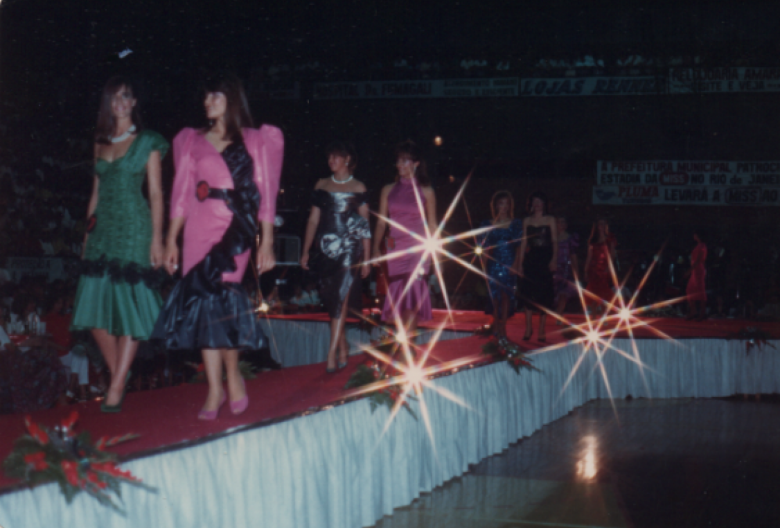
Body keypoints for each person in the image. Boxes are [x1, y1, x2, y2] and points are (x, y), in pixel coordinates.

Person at [153, 72, 283, 420]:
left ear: (231, 100)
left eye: (215, 96)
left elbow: (266, 196)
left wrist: (266, 241)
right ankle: (215, 388)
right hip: (197, 227)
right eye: (206, 96)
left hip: (236, 228)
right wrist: (170, 240)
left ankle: (234, 376)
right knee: (203, 304)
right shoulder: (190, 140)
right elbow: (180, 195)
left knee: (223, 298)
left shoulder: (256, 140)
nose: (207, 102)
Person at [70, 76, 169, 412]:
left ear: (135, 101)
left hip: (134, 227)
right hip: (103, 230)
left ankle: (115, 386)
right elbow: (94, 196)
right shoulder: (100, 142)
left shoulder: (148, 142)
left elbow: (156, 194)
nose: (120, 103)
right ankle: (119, 375)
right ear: (108, 104)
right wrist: (87, 238)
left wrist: (157, 239)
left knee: (128, 306)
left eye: (126, 96)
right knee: (93, 311)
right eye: (114, 98)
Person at [300, 141, 370, 372]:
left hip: (350, 250)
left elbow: (364, 225)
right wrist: (306, 250)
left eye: (336, 157)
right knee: (331, 299)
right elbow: (313, 220)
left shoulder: (359, 187)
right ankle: (342, 345)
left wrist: (367, 257)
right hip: (324, 249)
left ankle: (331, 354)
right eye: (329, 156)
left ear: (347, 159)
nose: (332, 160)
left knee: (341, 297)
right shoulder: (321, 184)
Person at [372, 141, 436, 337]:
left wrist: (435, 252)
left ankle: (408, 346)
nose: (399, 165)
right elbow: (382, 223)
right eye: (398, 161)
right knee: (399, 297)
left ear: (416, 163)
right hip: (395, 249)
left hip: (418, 249)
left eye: (404, 161)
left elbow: (432, 225)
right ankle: (405, 344)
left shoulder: (426, 191)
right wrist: (375, 249)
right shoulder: (388, 189)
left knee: (412, 294)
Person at [477, 190, 523, 337]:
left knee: (506, 295)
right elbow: (484, 248)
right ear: (496, 205)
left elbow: (519, 246)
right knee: (494, 297)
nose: (504, 207)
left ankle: (503, 326)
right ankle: (496, 323)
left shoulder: (515, 224)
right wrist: (483, 268)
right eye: (501, 203)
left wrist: (516, 264)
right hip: (493, 264)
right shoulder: (487, 224)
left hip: (509, 263)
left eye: (507, 204)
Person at [516, 192, 557, 341]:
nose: (537, 204)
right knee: (527, 293)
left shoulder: (550, 219)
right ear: (531, 204)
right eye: (534, 201)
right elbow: (523, 243)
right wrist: (520, 264)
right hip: (531, 258)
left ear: (544, 204)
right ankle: (528, 328)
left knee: (544, 294)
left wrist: (554, 259)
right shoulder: (527, 220)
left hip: (545, 258)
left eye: (540, 201)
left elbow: (554, 242)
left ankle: (541, 330)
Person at [584, 218, 617, 314]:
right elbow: (589, 256)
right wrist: (585, 270)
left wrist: (608, 267)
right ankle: (594, 317)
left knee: (603, 294)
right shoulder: (593, 240)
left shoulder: (610, 239)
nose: (602, 226)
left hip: (604, 270)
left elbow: (612, 255)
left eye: (604, 224)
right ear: (597, 226)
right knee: (593, 294)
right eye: (600, 224)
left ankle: (603, 316)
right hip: (593, 270)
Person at [554, 215, 580, 319]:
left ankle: (560, 313)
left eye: (564, 222)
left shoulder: (570, 238)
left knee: (563, 293)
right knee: (554, 291)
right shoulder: (552, 237)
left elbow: (573, 256)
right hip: (554, 268)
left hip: (566, 269)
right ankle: (555, 309)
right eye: (560, 222)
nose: (562, 224)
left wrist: (576, 271)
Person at [686, 231, 707, 320]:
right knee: (689, 290)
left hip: (698, 270)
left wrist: (689, 270)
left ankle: (702, 313)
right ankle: (693, 311)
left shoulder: (702, 246)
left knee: (700, 291)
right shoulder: (699, 246)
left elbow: (699, 260)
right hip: (695, 270)